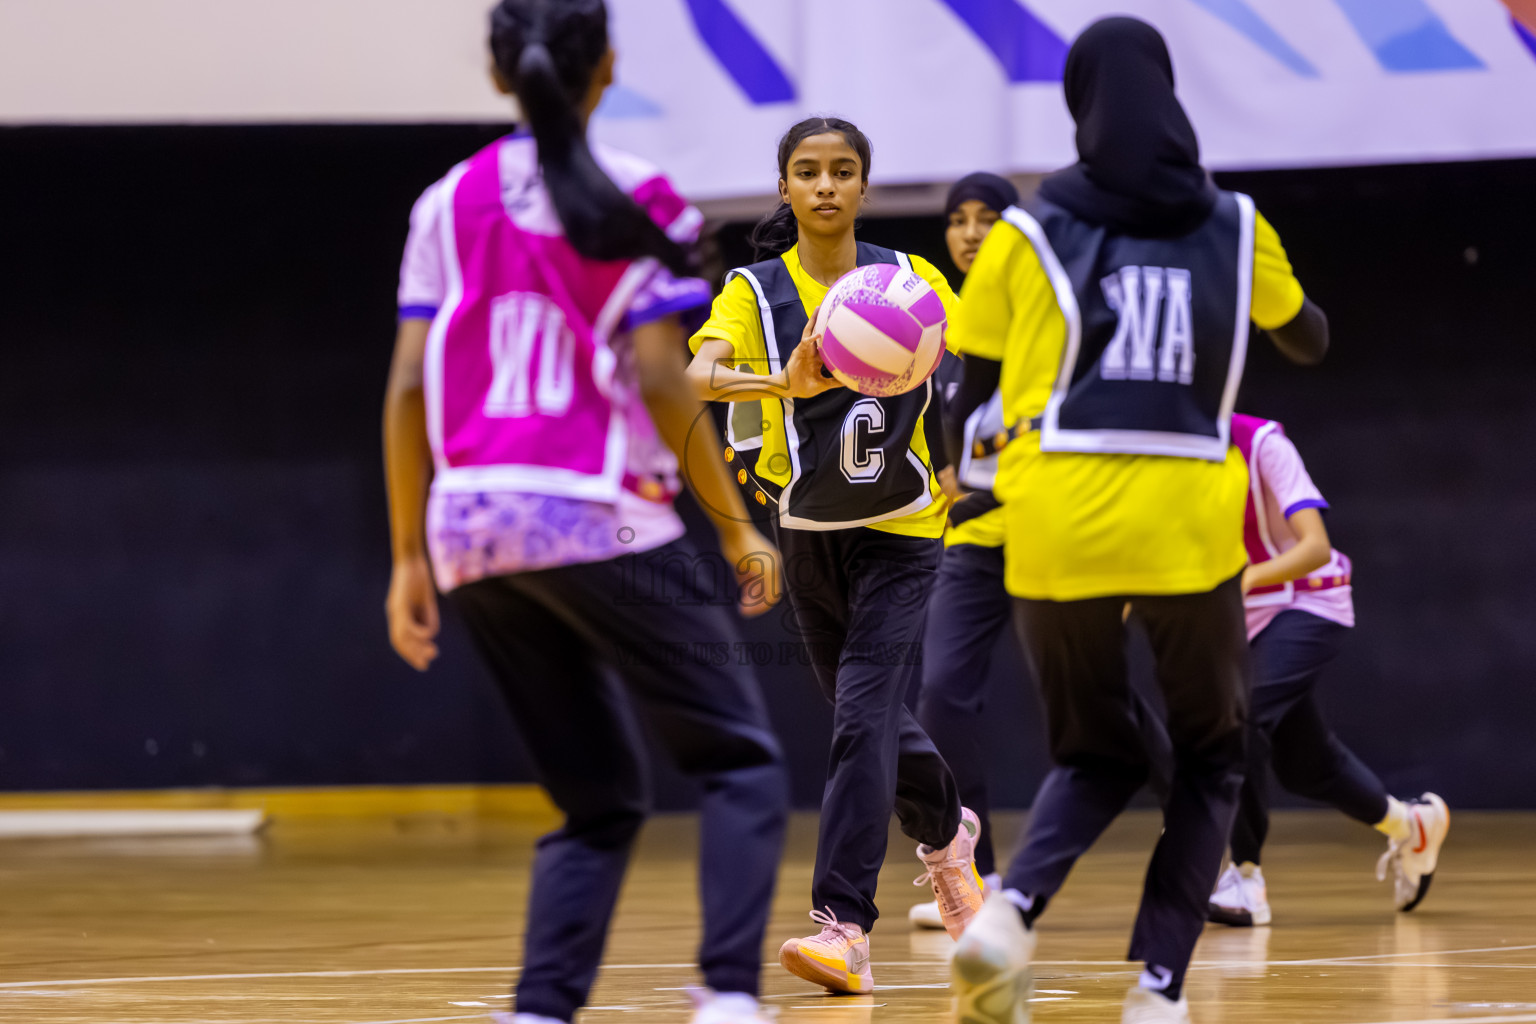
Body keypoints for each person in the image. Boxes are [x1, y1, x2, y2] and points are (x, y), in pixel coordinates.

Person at [381, 4, 788, 1023]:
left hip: (469, 524)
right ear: (607, 66)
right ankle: (730, 997)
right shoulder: (641, 196)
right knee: (739, 760)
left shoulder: (443, 203)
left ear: (497, 73)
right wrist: (735, 527)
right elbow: (660, 374)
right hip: (596, 513)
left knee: (597, 796)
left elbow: (409, 387)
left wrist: (408, 557)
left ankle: (540, 1008)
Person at [944, 18, 1331, 1024]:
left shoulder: (1024, 231)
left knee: (1092, 752)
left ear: (1081, 104)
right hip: (1185, 524)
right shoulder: (1237, 226)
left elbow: (972, 390)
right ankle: (1158, 987)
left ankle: (1008, 912)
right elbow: (1307, 340)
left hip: (1052, 518)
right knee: (1210, 757)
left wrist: (967, 477)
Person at [686, 117, 982, 995]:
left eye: (843, 171)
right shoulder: (753, 291)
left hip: (903, 534)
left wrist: (967, 455)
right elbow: (695, 376)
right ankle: (950, 838)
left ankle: (845, 927)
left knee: (860, 719)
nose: (825, 185)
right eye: (808, 171)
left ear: (863, 186)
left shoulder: (911, 279)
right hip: (808, 535)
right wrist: (780, 379)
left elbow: (980, 358)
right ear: (784, 186)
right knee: (874, 720)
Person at [910, 174, 1176, 931]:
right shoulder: (930, 330)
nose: (969, 233)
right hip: (971, 544)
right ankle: (976, 876)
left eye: (987, 218)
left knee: (1104, 698)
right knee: (942, 696)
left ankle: (1201, 843)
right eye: (956, 219)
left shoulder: (1056, 321)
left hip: (1049, 528)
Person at [1206, 414, 1449, 927]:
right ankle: (1411, 825)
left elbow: (1314, 546)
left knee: (1240, 721)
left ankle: (1245, 878)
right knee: (1307, 765)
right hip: (1243, 618)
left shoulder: (1261, 444)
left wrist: (1239, 580)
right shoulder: (1159, 456)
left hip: (1309, 600)